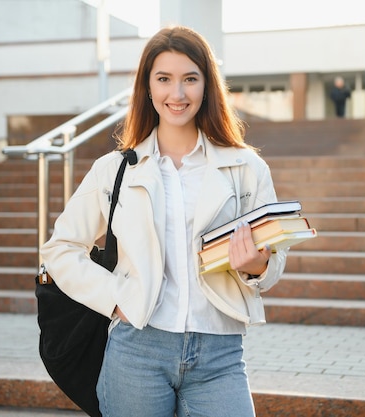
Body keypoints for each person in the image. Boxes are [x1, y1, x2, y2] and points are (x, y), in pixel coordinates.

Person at [40, 25, 287, 417]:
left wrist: (258, 266)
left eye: (190, 78)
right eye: (164, 79)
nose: (177, 93)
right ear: (148, 87)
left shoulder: (246, 167)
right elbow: (60, 249)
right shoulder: (115, 170)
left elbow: (275, 262)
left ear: (207, 85)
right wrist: (116, 298)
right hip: (137, 350)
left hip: (219, 354)